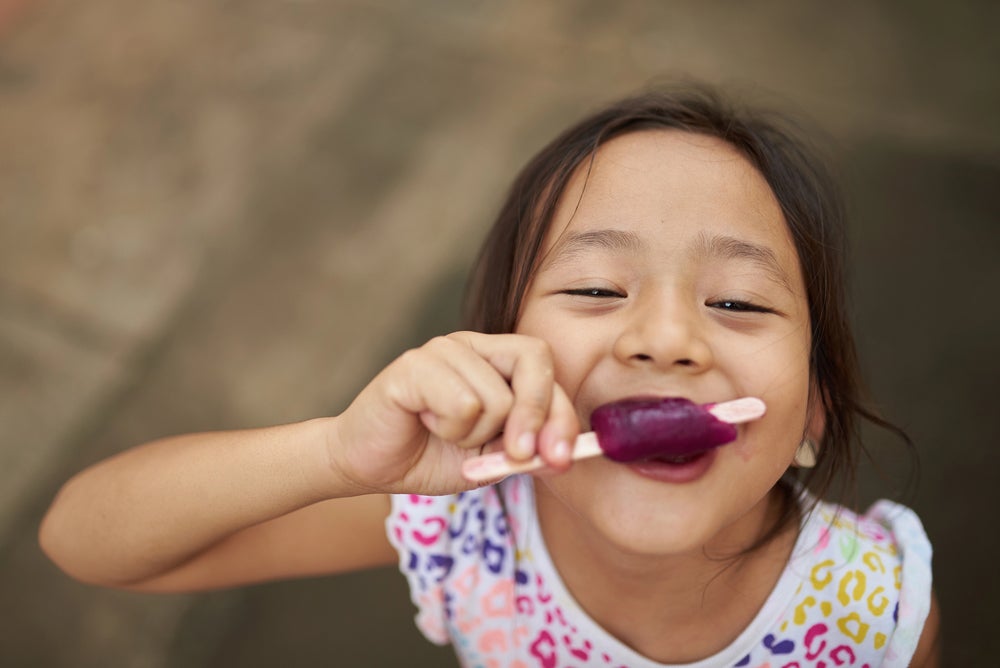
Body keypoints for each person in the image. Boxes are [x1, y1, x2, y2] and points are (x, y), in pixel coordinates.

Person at [39, 83, 940, 667]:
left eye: (739, 303)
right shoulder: (465, 514)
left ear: (814, 409)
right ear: (505, 360)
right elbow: (87, 542)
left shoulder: (879, 614)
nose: (665, 340)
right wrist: (334, 456)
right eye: (594, 287)